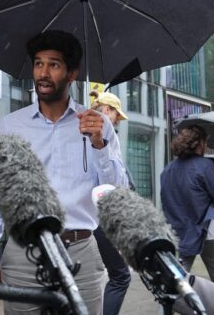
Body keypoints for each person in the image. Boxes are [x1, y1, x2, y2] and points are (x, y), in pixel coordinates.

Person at [0, 30, 129, 315]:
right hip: (24, 255)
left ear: (72, 74)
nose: (43, 73)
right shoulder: (12, 125)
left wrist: (99, 145)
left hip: (82, 252)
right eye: (38, 63)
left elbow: (115, 193)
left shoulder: (98, 126)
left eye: (54, 65)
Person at [90, 90, 132, 315]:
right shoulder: (101, 135)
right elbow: (109, 185)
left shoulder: (103, 135)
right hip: (100, 220)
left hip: (95, 221)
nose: (117, 120)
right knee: (120, 276)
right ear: (107, 110)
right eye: (117, 114)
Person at [161, 124, 214, 284]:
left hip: (180, 231)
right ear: (199, 143)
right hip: (206, 230)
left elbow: (166, 201)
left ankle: (165, 309)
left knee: (175, 281)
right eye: (205, 141)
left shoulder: (168, 170)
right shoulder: (205, 166)